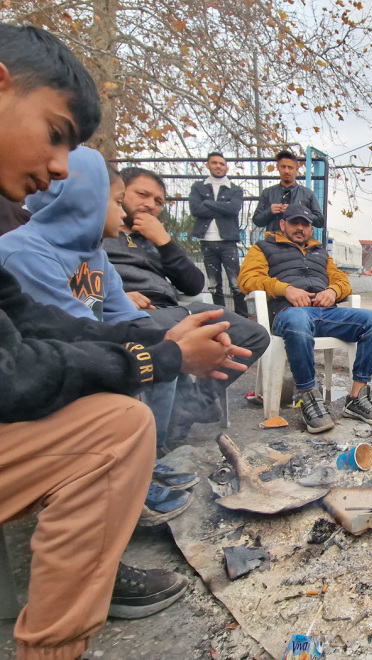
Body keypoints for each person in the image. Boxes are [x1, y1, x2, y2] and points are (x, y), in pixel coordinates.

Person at [0, 23, 249, 659]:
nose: (57, 170)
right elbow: (20, 370)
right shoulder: (24, 247)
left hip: (96, 343)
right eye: (56, 134)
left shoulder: (105, 255)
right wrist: (161, 353)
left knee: (211, 334)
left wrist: (170, 338)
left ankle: (139, 483)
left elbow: (51, 326)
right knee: (116, 428)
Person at [0, 148, 198, 525]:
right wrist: (152, 353)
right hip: (42, 384)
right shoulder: (21, 253)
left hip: (71, 353)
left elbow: (118, 315)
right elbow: (60, 334)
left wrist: (166, 340)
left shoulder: (96, 256)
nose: (124, 213)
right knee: (131, 402)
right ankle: (123, 484)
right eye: (117, 201)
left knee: (163, 350)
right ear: (84, 200)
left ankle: (145, 462)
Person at [104, 166, 269, 440]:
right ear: (120, 193)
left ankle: (191, 405)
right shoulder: (102, 232)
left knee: (254, 335)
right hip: (129, 313)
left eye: (158, 201)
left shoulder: (156, 238)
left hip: (175, 309)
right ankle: (164, 439)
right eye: (142, 195)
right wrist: (116, 297)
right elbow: (81, 279)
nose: (150, 205)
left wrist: (164, 242)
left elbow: (193, 285)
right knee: (161, 337)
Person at [239, 203, 372, 432]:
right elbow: (247, 280)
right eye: (294, 223)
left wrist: (332, 292)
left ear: (311, 229)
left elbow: (342, 281)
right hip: (288, 313)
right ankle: (308, 396)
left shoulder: (321, 253)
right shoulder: (263, 248)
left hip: (327, 313)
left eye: (305, 224)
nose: (300, 228)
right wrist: (285, 289)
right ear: (282, 224)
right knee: (298, 319)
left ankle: (356, 397)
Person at [188, 152, 247, 317]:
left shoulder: (234, 189)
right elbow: (195, 209)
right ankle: (221, 316)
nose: (218, 166)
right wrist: (222, 207)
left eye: (221, 164)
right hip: (207, 241)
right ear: (208, 165)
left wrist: (207, 203)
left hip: (228, 241)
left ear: (226, 167)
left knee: (236, 283)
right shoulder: (198, 187)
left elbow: (233, 209)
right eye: (214, 163)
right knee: (214, 284)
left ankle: (242, 316)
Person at [251, 149, 324, 233]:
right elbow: (257, 220)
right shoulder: (268, 193)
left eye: (290, 167)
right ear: (278, 167)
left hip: (299, 243)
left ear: (296, 170)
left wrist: (297, 211)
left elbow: (320, 221)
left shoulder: (308, 194)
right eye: (283, 167)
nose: (286, 171)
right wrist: (269, 212)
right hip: (273, 242)